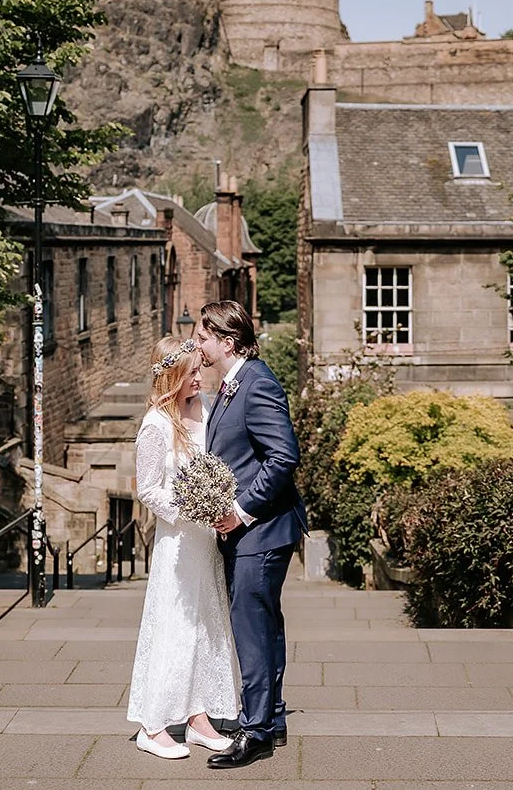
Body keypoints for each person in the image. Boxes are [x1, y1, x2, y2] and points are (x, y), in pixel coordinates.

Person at [196, 300, 308, 770]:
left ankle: (256, 731)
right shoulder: (231, 384)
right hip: (254, 532)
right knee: (264, 625)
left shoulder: (257, 382)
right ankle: (272, 718)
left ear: (228, 342)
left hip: (262, 531)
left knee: (252, 630)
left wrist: (240, 511)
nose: (197, 345)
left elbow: (284, 456)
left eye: (203, 337)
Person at [125, 335, 241, 760]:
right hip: (177, 542)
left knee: (206, 625)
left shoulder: (206, 408)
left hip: (206, 541)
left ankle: (198, 718)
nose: (199, 377)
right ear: (171, 375)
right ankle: (152, 726)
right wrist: (190, 510)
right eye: (191, 372)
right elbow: (148, 489)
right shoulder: (155, 425)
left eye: (198, 370)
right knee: (175, 626)